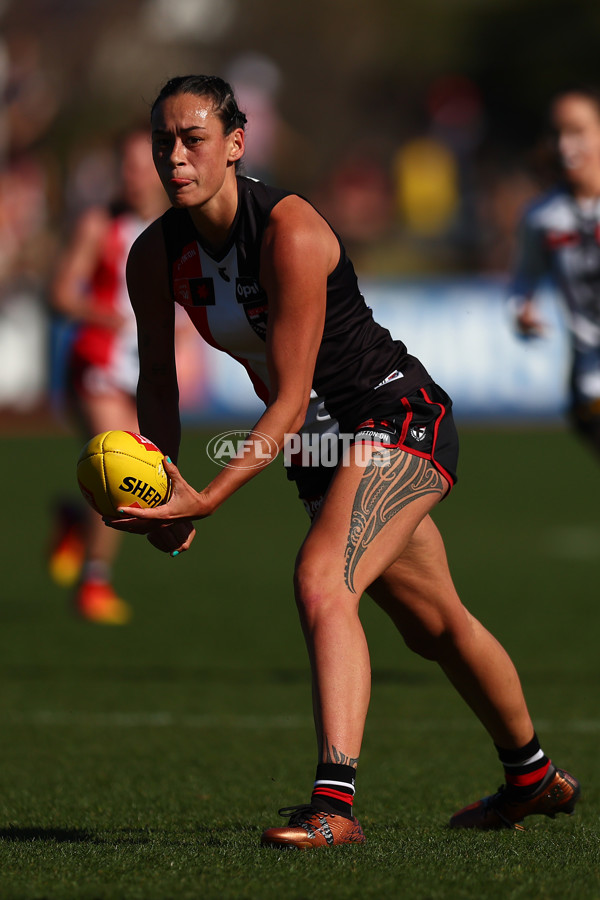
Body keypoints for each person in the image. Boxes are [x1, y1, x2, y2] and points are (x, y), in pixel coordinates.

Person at [108, 75, 580, 846]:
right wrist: (163, 481)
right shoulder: (155, 253)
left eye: (193, 139)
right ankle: (532, 778)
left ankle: (334, 808)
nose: (175, 157)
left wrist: (211, 498)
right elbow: (158, 380)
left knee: (322, 578)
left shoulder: (289, 230)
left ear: (236, 144)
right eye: (164, 141)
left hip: (396, 418)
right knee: (435, 626)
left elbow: (290, 402)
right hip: (323, 454)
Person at [49, 126, 168, 624]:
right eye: (128, 166)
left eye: (145, 165)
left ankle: (76, 520)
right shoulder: (100, 224)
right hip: (94, 360)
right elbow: (60, 295)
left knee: (124, 468)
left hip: (135, 369)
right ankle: (93, 583)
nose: (135, 176)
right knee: (122, 460)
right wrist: (102, 314)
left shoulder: (174, 226)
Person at [509, 86, 600, 454]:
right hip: (591, 379)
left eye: (577, 131)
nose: (565, 145)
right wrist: (520, 311)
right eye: (558, 133)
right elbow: (522, 282)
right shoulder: (542, 217)